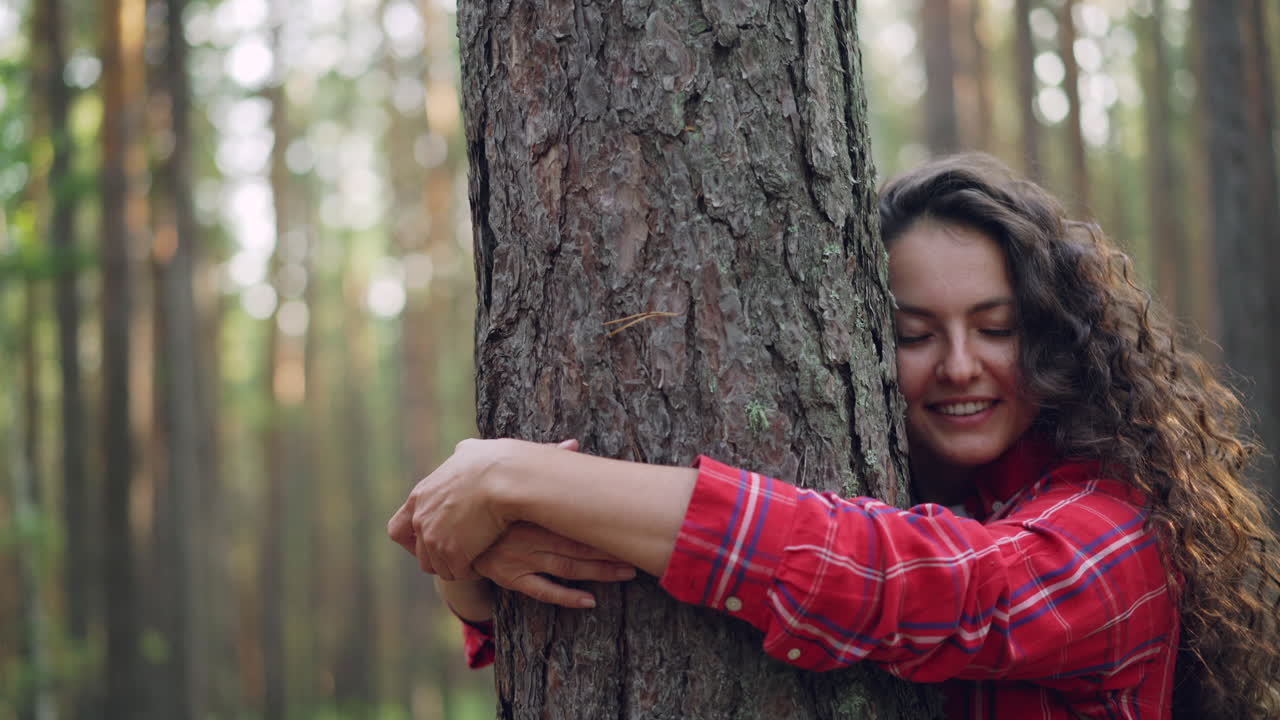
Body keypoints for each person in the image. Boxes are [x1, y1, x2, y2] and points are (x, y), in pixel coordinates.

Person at [388, 154, 1280, 719]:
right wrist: (470, 557)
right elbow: (525, 632)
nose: (960, 364)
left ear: (1053, 335)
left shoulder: (1115, 535)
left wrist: (515, 480)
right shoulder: (937, 495)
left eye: (996, 326)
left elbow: (923, 585)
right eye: (913, 333)